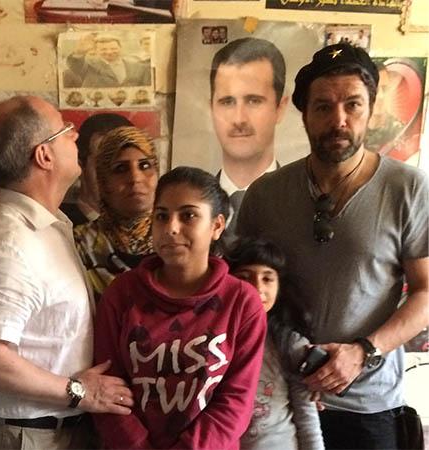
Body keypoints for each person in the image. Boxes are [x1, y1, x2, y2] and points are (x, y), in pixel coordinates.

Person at [237, 43, 429, 450]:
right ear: (304, 114)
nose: (338, 120)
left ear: (371, 109)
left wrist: (363, 352)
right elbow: (240, 294)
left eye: (352, 105)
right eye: (323, 106)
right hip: (277, 403)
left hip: (368, 405)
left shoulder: (408, 189)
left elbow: (426, 292)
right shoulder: (264, 195)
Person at [0, 96, 134, 450]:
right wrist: (79, 391)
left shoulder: (47, 225)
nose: (76, 135)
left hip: (50, 431)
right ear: (44, 155)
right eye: (66, 129)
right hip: (22, 437)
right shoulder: (8, 243)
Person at [93, 166, 267, 449]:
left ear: (217, 226)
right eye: (162, 216)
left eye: (188, 216)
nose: (171, 228)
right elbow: (107, 388)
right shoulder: (122, 294)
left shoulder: (242, 302)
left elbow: (237, 399)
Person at [225, 238, 324, 450]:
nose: (257, 287)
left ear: (279, 287)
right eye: (244, 277)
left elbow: (307, 418)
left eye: (267, 278)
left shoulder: (290, 344)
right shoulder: (213, 342)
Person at [209, 37, 289, 225]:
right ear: (211, 109)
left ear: (280, 108)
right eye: (227, 102)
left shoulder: (304, 204)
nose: (239, 119)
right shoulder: (190, 209)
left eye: (254, 101)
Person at [74, 126, 159, 301]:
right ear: (103, 182)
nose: (135, 178)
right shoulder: (81, 244)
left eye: (145, 165)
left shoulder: (174, 236)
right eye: (120, 169)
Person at [60, 113, 133, 226]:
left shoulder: (150, 226)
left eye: (123, 166)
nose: (116, 176)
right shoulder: (57, 224)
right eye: (104, 162)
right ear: (80, 166)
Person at [66, 34, 151, 88]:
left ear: (120, 48)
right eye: (103, 49)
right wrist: (79, 52)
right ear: (96, 50)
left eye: (113, 48)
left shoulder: (137, 66)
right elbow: (75, 63)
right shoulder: (88, 65)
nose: (109, 52)